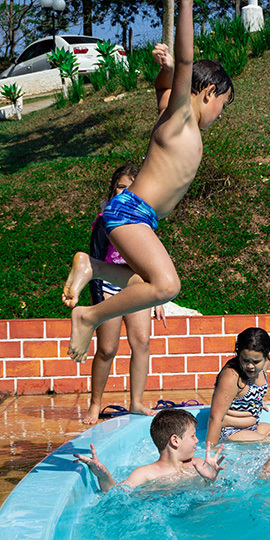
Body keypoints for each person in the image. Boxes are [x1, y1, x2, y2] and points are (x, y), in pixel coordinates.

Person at [61, 0, 235, 363]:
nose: (221, 114)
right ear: (207, 92)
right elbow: (186, 67)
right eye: (223, 105)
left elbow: (164, 87)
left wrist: (166, 72)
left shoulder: (168, 114)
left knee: (145, 283)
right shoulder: (181, 118)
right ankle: (87, 316)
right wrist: (186, 1)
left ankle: (93, 266)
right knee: (167, 285)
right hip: (131, 213)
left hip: (139, 216)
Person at [83, 165, 164, 425]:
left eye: (132, 186)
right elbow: (94, 259)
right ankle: (95, 404)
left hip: (136, 286)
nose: (125, 191)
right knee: (107, 348)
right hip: (107, 286)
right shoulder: (105, 219)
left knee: (141, 342)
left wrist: (159, 297)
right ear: (112, 189)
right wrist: (97, 300)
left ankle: (137, 402)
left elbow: (153, 262)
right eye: (120, 186)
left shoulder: (143, 221)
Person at [74, 408, 224, 492]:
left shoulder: (196, 465)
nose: (197, 440)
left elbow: (213, 494)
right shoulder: (145, 473)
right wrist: (103, 475)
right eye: (193, 436)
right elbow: (117, 495)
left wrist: (211, 480)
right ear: (175, 440)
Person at [205, 327, 270, 445]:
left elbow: (252, 391)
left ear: (266, 356)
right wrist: (211, 451)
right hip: (231, 431)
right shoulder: (232, 376)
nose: (250, 366)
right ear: (238, 354)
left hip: (253, 426)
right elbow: (215, 417)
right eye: (245, 360)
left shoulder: (264, 365)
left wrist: (257, 401)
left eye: (256, 361)